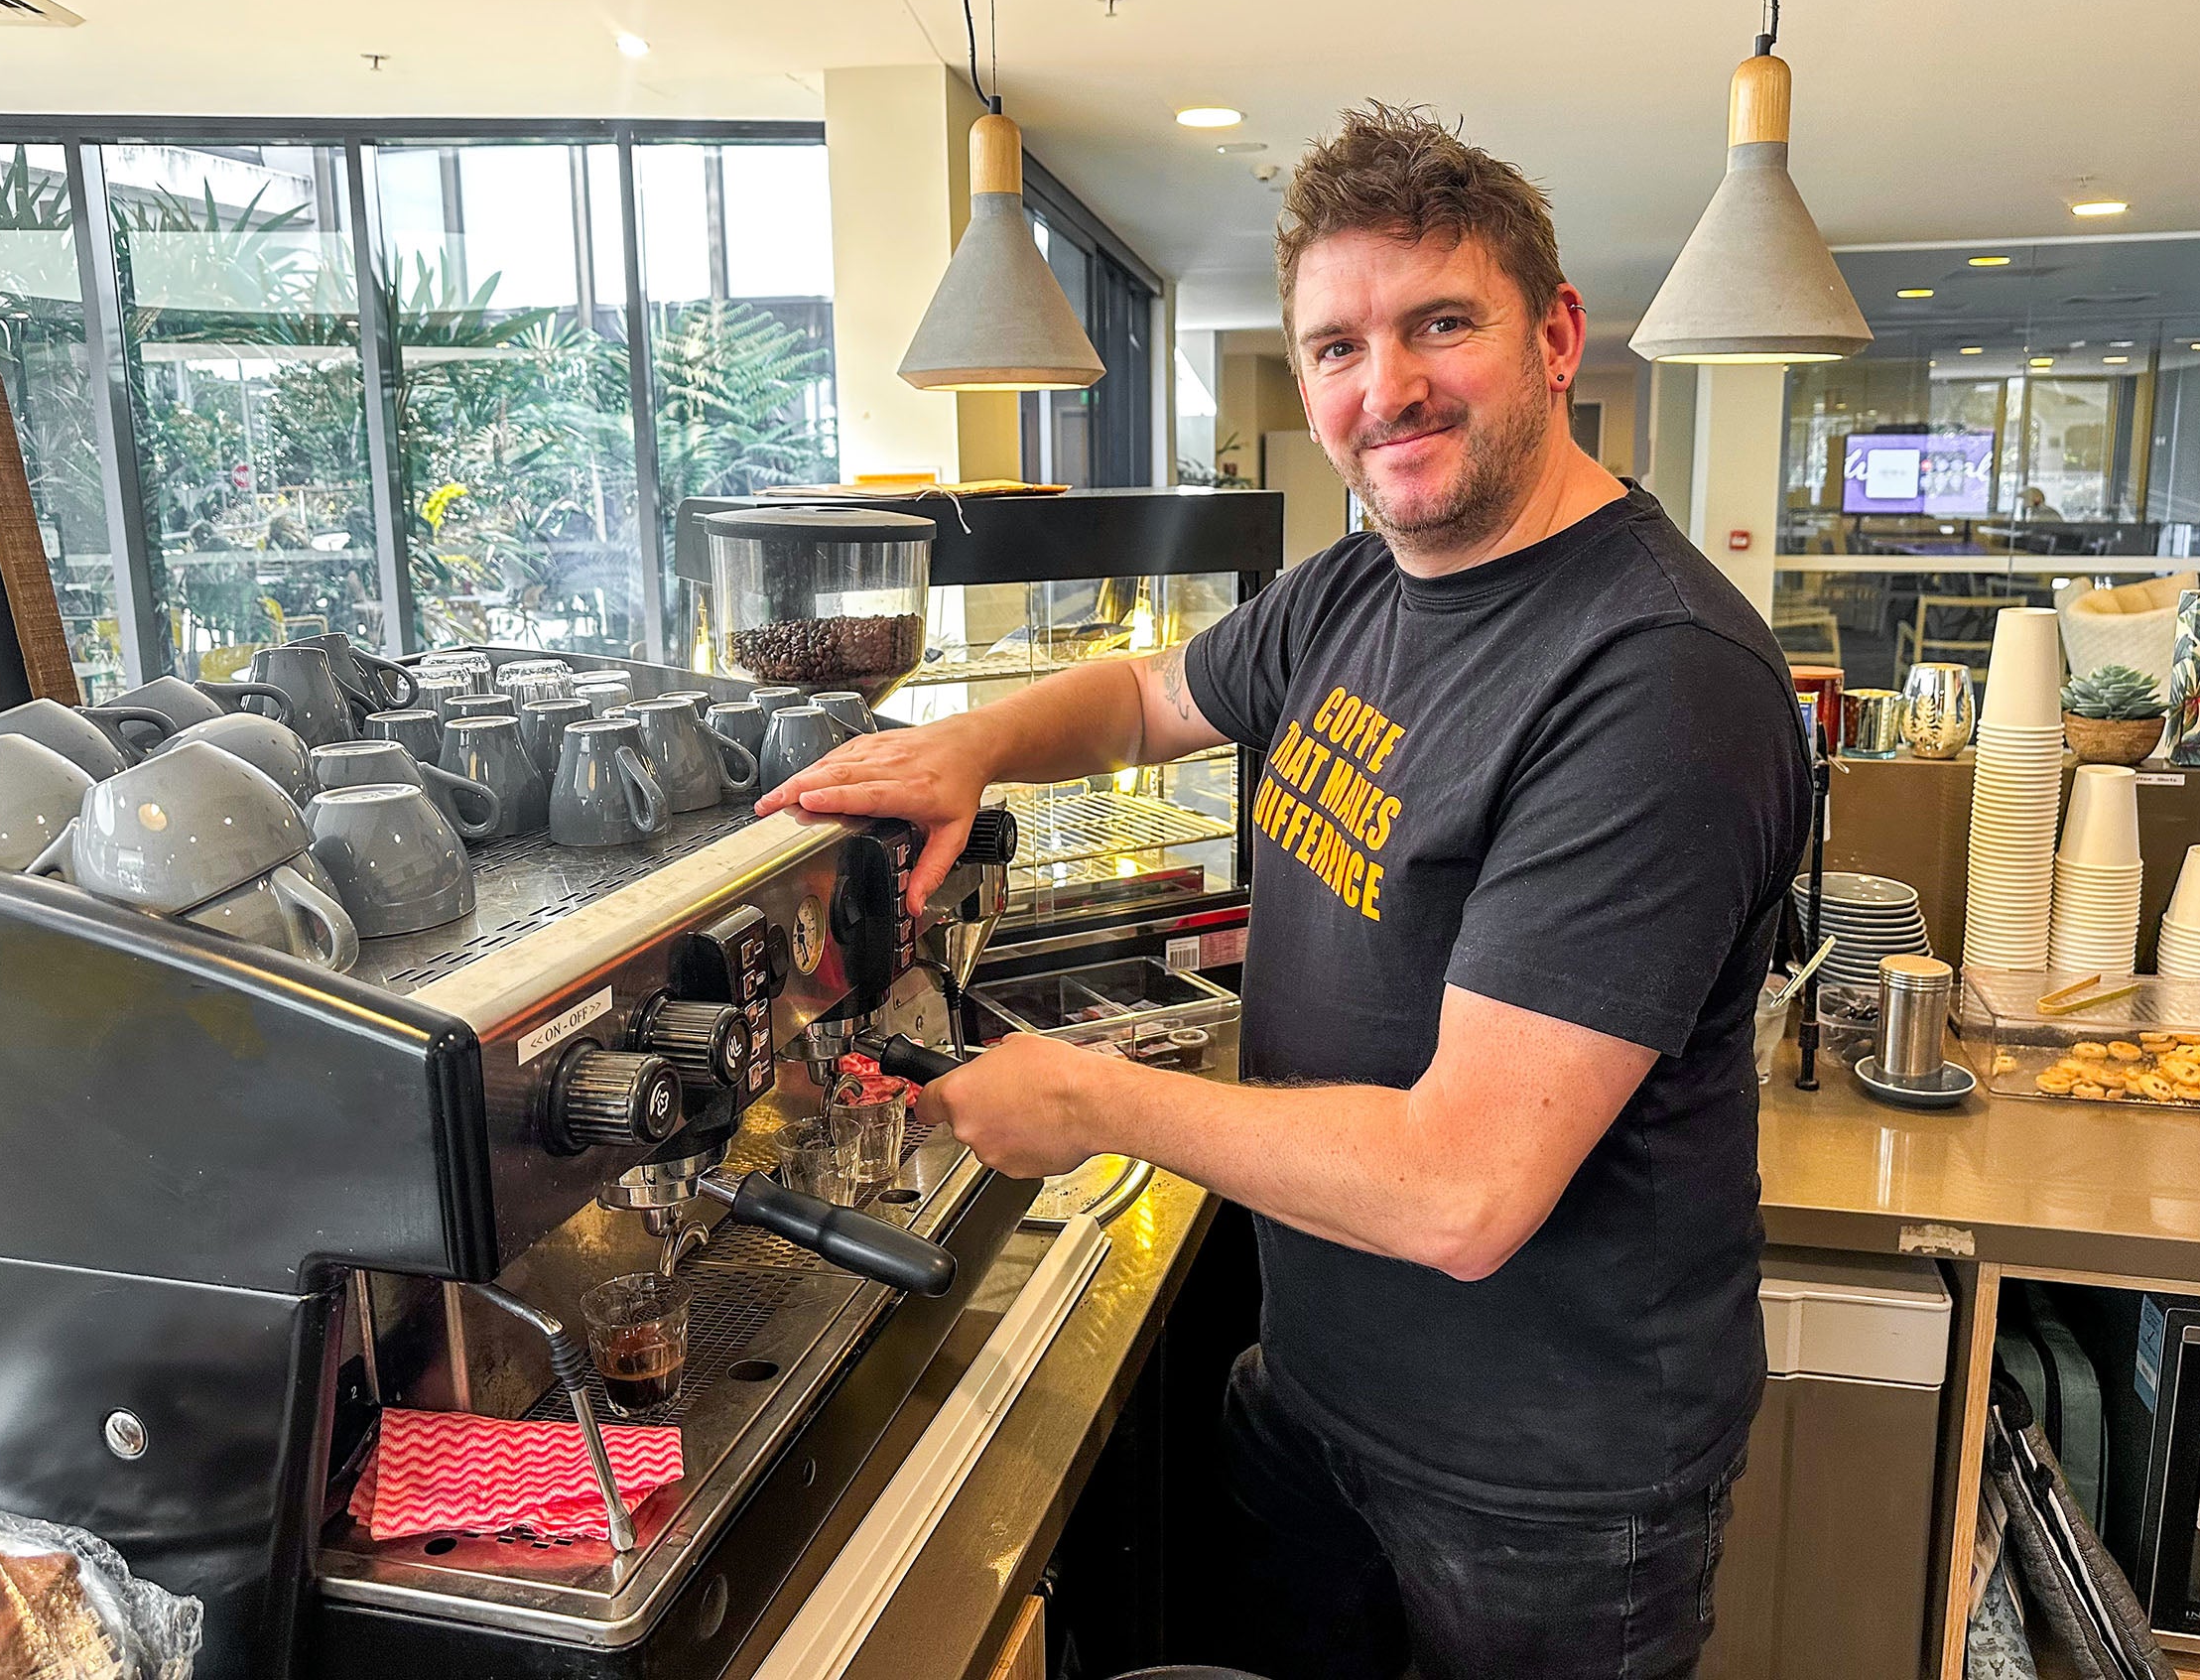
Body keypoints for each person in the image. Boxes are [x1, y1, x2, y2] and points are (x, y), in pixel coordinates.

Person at [758, 102, 1813, 1680]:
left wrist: (1094, 1098)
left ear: (1554, 338)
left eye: (1440, 323)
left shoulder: (1657, 682)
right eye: (1336, 346)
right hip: (1321, 1394)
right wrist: (970, 743)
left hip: (1545, 1491)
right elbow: (1144, 697)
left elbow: (1463, 1189)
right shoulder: (1359, 584)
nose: (1385, 389)